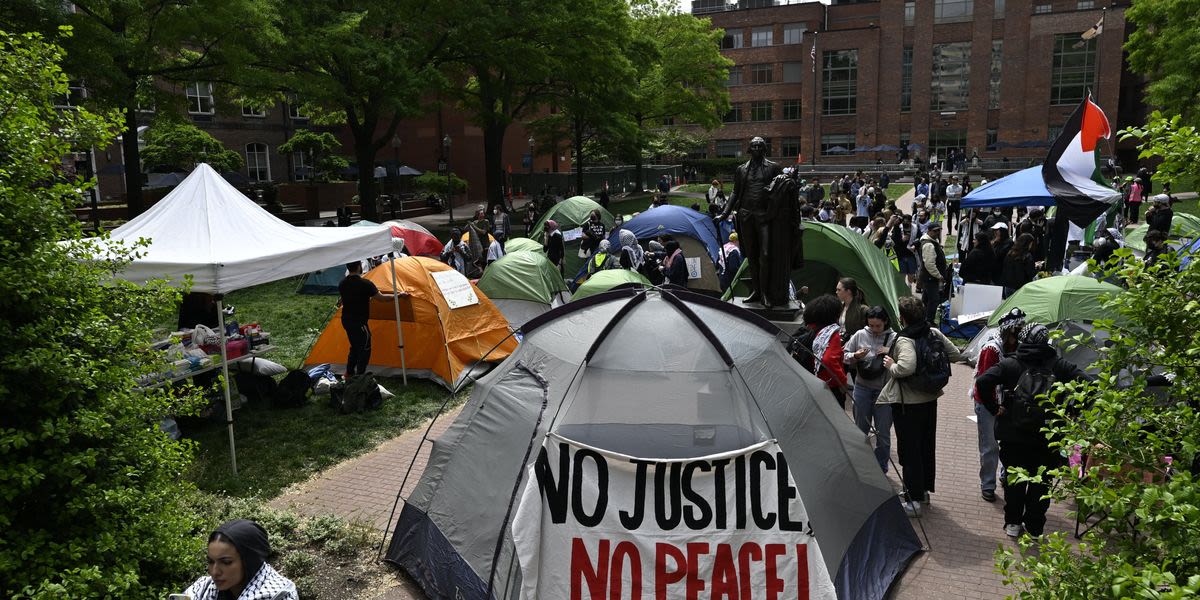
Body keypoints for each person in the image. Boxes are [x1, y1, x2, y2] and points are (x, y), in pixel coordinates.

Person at [975, 323, 1091, 537]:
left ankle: (1013, 523)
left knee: (1015, 481)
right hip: (1048, 437)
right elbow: (1089, 386)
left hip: (1013, 434)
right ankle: (1035, 526)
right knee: (1042, 483)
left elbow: (982, 382)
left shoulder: (1011, 364)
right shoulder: (1059, 365)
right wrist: (1073, 410)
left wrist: (994, 407)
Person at [879, 296, 963, 516]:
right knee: (926, 446)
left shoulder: (905, 339)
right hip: (930, 399)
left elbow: (906, 367)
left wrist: (891, 365)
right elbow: (955, 354)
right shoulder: (933, 332)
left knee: (909, 451)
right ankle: (922, 491)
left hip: (909, 404)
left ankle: (912, 501)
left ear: (902, 317)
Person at [721, 136, 789, 307]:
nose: (757, 149)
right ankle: (757, 291)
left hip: (764, 216)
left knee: (765, 255)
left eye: (760, 146)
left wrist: (785, 179)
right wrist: (724, 213)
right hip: (745, 216)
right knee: (751, 255)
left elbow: (785, 187)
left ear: (764, 149)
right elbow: (735, 193)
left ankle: (766, 293)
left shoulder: (773, 168)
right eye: (754, 146)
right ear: (749, 149)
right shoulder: (741, 169)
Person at [971, 308, 1025, 503]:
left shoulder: (1018, 348)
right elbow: (983, 382)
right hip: (988, 403)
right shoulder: (991, 349)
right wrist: (995, 407)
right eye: (1014, 332)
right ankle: (987, 484)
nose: (1017, 337)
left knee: (1009, 442)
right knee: (990, 446)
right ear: (1007, 332)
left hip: (1008, 402)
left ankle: (1004, 475)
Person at [184, 519, 297, 600]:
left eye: (226, 562)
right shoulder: (203, 588)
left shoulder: (279, 595)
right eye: (211, 561)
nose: (214, 572)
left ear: (249, 561)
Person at [843, 305, 897, 472]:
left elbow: (905, 362)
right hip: (862, 388)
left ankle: (881, 468)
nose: (874, 330)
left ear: (885, 322)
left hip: (884, 391)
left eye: (878, 326)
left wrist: (891, 352)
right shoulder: (860, 335)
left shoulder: (894, 338)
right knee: (860, 430)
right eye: (871, 325)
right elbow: (844, 356)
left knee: (883, 433)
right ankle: (860, 465)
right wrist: (855, 355)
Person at [339, 261, 399, 377]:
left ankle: (349, 373)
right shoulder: (365, 284)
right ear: (358, 267)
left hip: (346, 320)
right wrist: (397, 296)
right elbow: (381, 298)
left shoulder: (342, 283)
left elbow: (349, 298)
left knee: (355, 346)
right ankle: (360, 376)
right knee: (365, 349)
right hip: (359, 322)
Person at [790, 294, 850, 409]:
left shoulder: (808, 329)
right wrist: (842, 382)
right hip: (828, 388)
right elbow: (828, 360)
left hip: (807, 384)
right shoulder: (831, 334)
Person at [917, 221, 948, 325]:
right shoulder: (929, 245)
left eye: (939, 230)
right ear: (929, 231)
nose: (937, 233)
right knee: (934, 299)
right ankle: (929, 321)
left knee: (926, 299)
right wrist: (939, 276)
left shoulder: (932, 242)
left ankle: (922, 318)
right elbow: (929, 264)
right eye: (935, 231)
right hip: (930, 278)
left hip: (930, 277)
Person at [1000, 233, 1038, 298]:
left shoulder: (1010, 253)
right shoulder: (1027, 256)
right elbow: (1030, 273)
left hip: (1008, 286)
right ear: (1028, 243)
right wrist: (1036, 267)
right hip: (1020, 288)